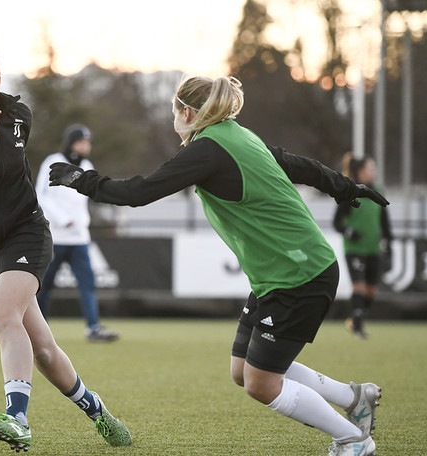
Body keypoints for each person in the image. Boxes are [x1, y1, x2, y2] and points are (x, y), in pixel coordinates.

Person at [49, 75, 389, 456]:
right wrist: (343, 186)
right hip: (278, 276)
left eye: (175, 109)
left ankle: (352, 439)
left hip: (300, 275)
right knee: (243, 369)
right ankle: (353, 397)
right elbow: (300, 166)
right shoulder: (237, 135)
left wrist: (81, 179)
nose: (173, 116)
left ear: (188, 112)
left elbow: (138, 193)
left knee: (261, 383)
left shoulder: (207, 149)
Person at [0, 29, 131, 452]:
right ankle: (98, 410)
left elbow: (5, 160)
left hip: (26, 230)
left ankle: (17, 418)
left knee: (3, 315)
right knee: (43, 347)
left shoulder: (18, 114)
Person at [34, 124, 119, 343]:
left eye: (88, 142)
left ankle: (93, 328)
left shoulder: (87, 165)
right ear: (72, 143)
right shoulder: (52, 161)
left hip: (80, 238)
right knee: (42, 287)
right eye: (82, 141)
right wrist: (63, 219)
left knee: (87, 284)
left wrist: (83, 222)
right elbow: (41, 196)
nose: (86, 146)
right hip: (55, 237)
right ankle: (39, 331)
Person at [333, 153, 392, 339]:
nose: (374, 172)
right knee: (358, 286)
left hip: (373, 248)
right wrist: (350, 232)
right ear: (360, 171)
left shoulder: (378, 191)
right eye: (370, 168)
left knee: (371, 290)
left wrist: (389, 241)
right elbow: (337, 222)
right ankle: (357, 327)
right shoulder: (351, 192)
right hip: (355, 248)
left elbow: (384, 220)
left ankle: (354, 319)